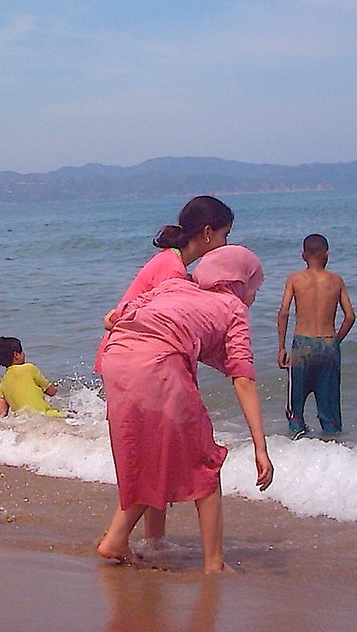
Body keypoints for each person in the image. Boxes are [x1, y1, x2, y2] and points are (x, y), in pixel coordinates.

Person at [97, 246, 274, 573]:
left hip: (117, 359)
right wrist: (260, 448)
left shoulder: (172, 286)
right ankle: (214, 563)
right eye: (254, 288)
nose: (253, 297)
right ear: (239, 282)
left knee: (152, 455)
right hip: (157, 365)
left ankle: (119, 540)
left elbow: (112, 318)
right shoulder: (233, 308)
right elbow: (243, 376)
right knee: (206, 461)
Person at [95, 194, 236, 546]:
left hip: (125, 361)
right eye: (225, 236)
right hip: (140, 365)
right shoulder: (173, 270)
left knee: (151, 449)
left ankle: (153, 540)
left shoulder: (171, 263)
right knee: (156, 452)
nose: (226, 245)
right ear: (207, 233)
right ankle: (121, 538)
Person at [277, 233, 357, 439]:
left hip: (302, 345)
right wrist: (336, 341)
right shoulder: (336, 281)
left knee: (295, 408)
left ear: (303, 255)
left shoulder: (294, 279)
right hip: (328, 345)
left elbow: (284, 312)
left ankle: (298, 449)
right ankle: (332, 451)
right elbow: (350, 317)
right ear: (327, 254)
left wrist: (282, 348)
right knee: (329, 411)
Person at [0, 336, 64, 417]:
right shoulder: (29, 368)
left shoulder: (3, 385)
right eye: (22, 352)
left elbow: (1, 414)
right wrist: (55, 387)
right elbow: (51, 391)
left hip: (23, 422)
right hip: (44, 416)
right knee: (72, 414)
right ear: (16, 354)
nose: (24, 354)